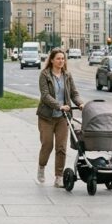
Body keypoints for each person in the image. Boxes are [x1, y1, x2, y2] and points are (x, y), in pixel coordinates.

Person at [36, 47, 83, 187]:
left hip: (63, 117)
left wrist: (80, 103)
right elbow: (45, 96)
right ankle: (41, 167)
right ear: (51, 60)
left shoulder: (67, 75)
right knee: (47, 145)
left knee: (61, 147)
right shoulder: (44, 75)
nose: (61, 61)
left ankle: (59, 177)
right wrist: (59, 105)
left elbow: (74, 93)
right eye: (58, 58)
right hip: (47, 117)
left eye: (63, 58)